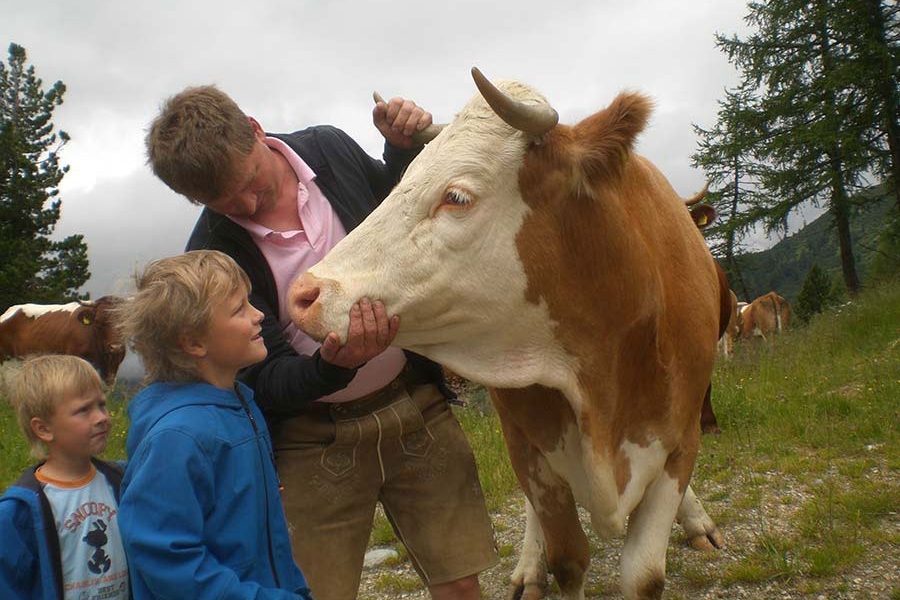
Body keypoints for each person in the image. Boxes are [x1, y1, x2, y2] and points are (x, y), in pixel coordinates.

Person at [144, 85, 497, 600]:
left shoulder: (328, 148)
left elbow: (397, 215)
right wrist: (336, 366)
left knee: (461, 580)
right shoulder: (214, 249)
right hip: (312, 441)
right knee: (311, 593)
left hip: (414, 403)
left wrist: (400, 149)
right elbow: (263, 379)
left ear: (256, 128)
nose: (247, 205)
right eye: (223, 202)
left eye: (250, 183)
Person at [114, 250, 312, 600]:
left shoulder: (240, 405)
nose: (259, 316)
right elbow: (168, 559)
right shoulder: (178, 438)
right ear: (193, 342)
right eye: (239, 309)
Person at [0, 354, 130, 600]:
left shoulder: (123, 481)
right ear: (44, 429)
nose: (102, 417)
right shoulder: (21, 512)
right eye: (84, 410)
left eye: (102, 404)